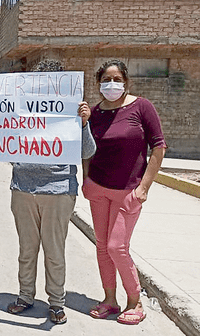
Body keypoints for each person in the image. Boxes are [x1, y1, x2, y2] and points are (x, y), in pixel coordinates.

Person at [4, 59, 96, 324]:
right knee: (26, 249)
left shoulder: (73, 113)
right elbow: (2, 140)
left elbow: (87, 152)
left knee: (54, 251)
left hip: (58, 190)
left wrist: (83, 124)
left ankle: (56, 303)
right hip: (23, 188)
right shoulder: (20, 110)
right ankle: (25, 296)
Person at [83, 59, 166, 325]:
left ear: (126, 82)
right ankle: (109, 299)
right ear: (98, 84)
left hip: (129, 191)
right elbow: (86, 149)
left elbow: (159, 147)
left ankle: (135, 301)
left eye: (117, 79)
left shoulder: (141, 107)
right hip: (98, 187)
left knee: (117, 247)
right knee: (102, 247)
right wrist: (85, 179)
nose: (112, 84)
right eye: (106, 79)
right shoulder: (95, 113)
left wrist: (144, 187)